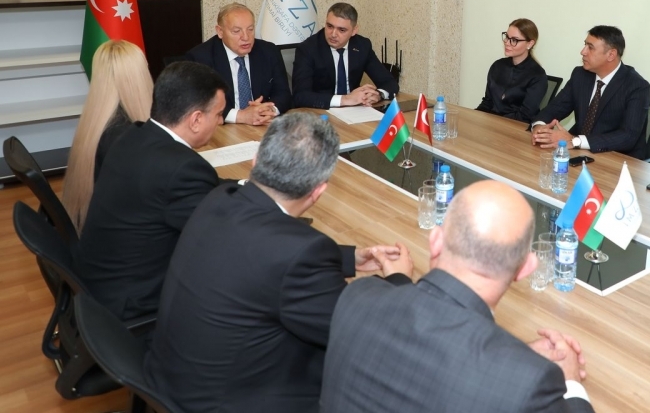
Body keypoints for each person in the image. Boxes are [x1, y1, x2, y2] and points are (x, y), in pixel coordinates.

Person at [144, 112, 413, 413]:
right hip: (226, 401)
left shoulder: (221, 197)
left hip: (170, 380)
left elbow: (260, 255)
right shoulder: (300, 252)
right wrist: (398, 281)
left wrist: (350, 258)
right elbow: (358, 330)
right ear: (318, 191)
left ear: (256, 160)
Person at [319, 180, 594, 413]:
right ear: (525, 269)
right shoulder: (530, 383)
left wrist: (516, 358)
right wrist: (570, 382)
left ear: (435, 241)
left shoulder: (358, 295)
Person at [77, 61, 227, 321]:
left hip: (100, 284)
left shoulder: (134, 135)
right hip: (133, 305)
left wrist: (243, 185)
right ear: (196, 120)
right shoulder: (183, 168)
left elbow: (194, 191)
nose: (221, 121)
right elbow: (218, 237)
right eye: (218, 114)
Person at [62, 40, 153, 231]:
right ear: (138, 77)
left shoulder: (96, 121)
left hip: (94, 225)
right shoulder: (126, 135)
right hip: (118, 234)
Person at [531, 25, 650, 159]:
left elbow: (628, 136)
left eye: (590, 47)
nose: (583, 52)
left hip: (620, 160)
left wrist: (575, 141)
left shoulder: (637, 86)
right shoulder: (580, 75)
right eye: (585, 45)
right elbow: (555, 108)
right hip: (580, 154)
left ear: (611, 54)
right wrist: (539, 127)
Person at [185, 2, 292, 126]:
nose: (246, 37)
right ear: (220, 31)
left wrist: (269, 110)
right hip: (221, 127)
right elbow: (199, 103)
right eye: (236, 31)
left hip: (262, 123)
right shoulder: (200, 58)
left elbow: (283, 93)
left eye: (250, 29)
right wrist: (241, 116)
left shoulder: (268, 51)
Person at [292, 2, 399, 108]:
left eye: (342, 30)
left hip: (354, 110)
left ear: (354, 31)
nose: (333, 34)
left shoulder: (362, 46)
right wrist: (345, 99)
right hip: (321, 110)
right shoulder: (308, 48)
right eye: (330, 26)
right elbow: (300, 96)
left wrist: (378, 95)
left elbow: (390, 83)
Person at [476, 18, 548, 123]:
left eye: (514, 40)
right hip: (492, 124)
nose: (507, 43)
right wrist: (472, 117)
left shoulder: (537, 75)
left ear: (530, 44)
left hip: (516, 127)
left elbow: (525, 115)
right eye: (507, 37)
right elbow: (487, 103)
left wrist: (495, 122)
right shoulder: (497, 66)